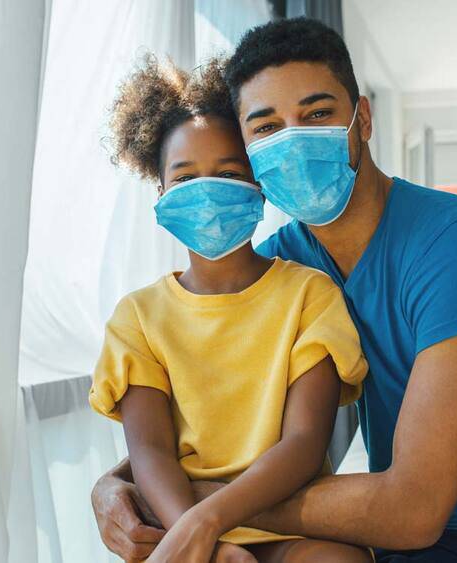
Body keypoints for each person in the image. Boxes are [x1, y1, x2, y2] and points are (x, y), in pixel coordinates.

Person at [92, 18, 457, 563]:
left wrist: (203, 509)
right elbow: (194, 423)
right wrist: (113, 486)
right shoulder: (282, 269)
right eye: (266, 128)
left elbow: (412, 511)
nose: (293, 141)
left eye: (317, 114)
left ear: (364, 119)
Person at [89, 55, 372, 562]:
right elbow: (149, 451)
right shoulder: (138, 318)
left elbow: (306, 443)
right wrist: (207, 546)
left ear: (258, 184)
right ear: (160, 195)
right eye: (185, 178)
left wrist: (211, 520)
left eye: (227, 172)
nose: (207, 191)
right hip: (176, 521)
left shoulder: (309, 295)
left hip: (286, 522)